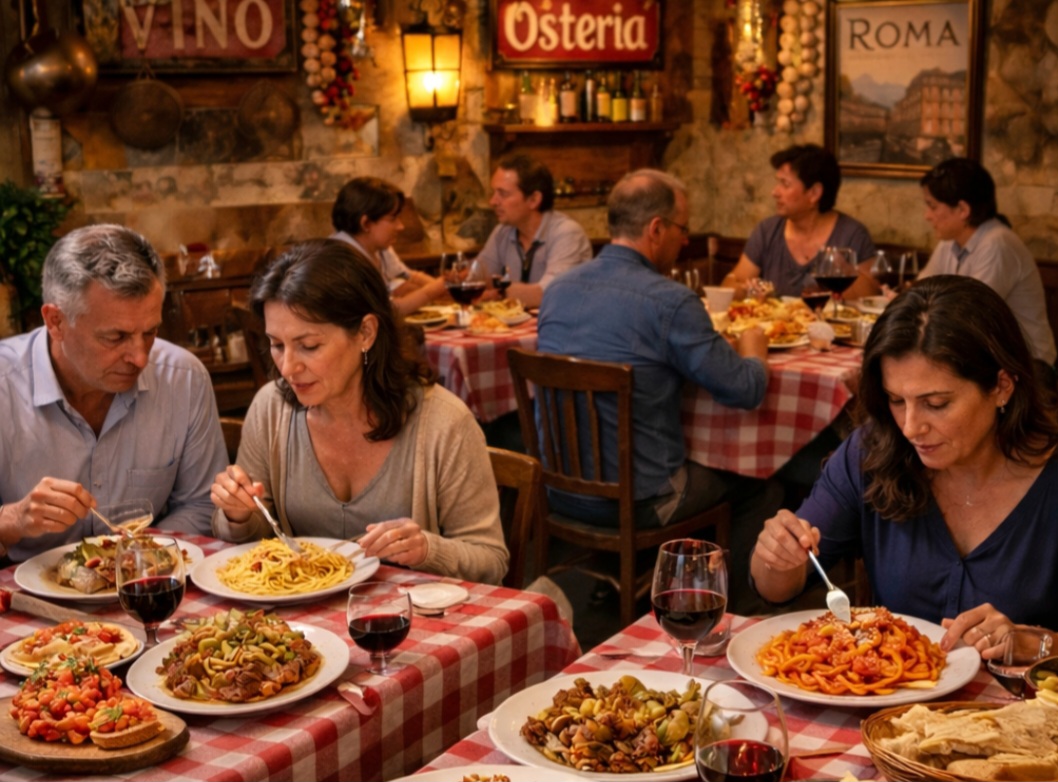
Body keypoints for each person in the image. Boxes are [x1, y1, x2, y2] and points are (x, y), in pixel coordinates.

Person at [750, 276, 1058, 657]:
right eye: (896, 400)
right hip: (890, 694)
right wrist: (776, 557)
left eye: (936, 403)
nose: (911, 427)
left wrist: (1037, 644)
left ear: (1002, 387)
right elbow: (776, 590)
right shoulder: (871, 452)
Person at [538, 169, 782, 611]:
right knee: (761, 482)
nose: (685, 240)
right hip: (643, 503)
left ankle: (629, 577)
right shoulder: (670, 301)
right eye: (682, 229)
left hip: (559, 493)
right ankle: (732, 614)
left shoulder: (556, 291)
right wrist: (754, 349)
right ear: (655, 229)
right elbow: (745, 390)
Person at [210, 239, 509, 585]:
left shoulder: (444, 422)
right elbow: (252, 543)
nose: (288, 367)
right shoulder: (271, 409)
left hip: (410, 612)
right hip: (303, 616)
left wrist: (427, 550)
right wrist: (237, 515)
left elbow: (491, 560)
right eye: (277, 345)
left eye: (309, 346)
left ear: (366, 332)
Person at [0, 224, 228, 561]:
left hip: (148, 580)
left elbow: (200, 505)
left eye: (149, 333)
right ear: (55, 321)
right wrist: (13, 520)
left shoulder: (184, 379)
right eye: (115, 337)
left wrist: (128, 558)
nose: (140, 358)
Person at [918, 157, 1056, 366]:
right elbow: (920, 293)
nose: (927, 216)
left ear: (963, 210)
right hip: (983, 357)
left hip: (1027, 367)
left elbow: (970, 317)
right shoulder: (951, 240)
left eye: (932, 206)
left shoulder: (998, 244)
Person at [723, 144, 878, 299]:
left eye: (785, 184)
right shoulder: (767, 231)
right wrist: (747, 290)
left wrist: (845, 270)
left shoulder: (853, 235)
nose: (775, 192)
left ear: (814, 193)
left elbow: (872, 295)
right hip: (774, 316)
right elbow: (729, 286)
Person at [476, 154, 593, 308]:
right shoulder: (503, 232)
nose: (493, 202)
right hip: (516, 323)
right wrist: (451, 279)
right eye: (493, 193)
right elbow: (477, 277)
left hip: (561, 322)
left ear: (534, 200)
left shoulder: (567, 233)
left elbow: (548, 294)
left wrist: (499, 293)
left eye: (503, 194)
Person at [331, 176, 448, 317]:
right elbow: (385, 311)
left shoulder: (378, 246)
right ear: (366, 223)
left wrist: (450, 287)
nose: (400, 226)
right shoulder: (341, 258)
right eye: (393, 219)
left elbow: (409, 276)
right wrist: (437, 288)